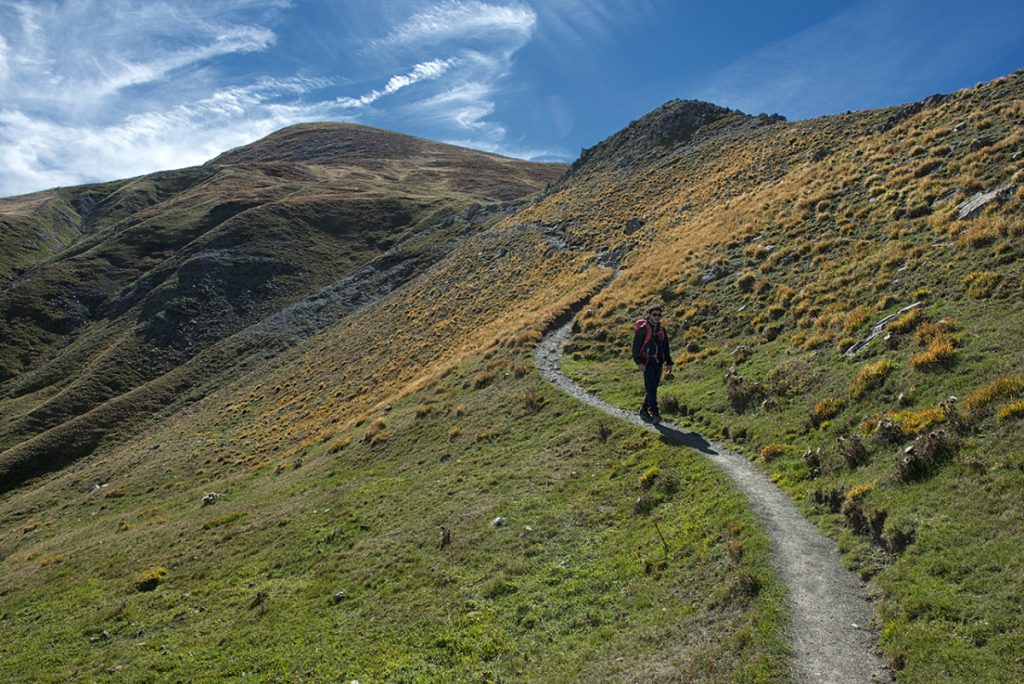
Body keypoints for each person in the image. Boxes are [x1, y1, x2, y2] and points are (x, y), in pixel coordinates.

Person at [632, 304, 674, 422]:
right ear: (649, 315)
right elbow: (635, 348)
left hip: (658, 362)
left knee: (653, 387)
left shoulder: (662, 330)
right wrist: (639, 362)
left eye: (659, 315)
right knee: (651, 388)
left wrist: (669, 362)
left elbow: (666, 347)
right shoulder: (643, 329)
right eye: (654, 314)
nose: (657, 317)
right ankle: (655, 413)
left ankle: (644, 408)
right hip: (647, 362)